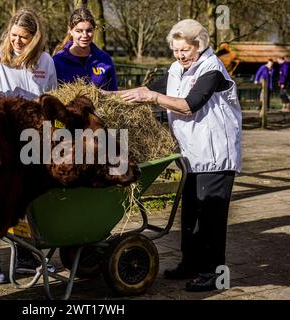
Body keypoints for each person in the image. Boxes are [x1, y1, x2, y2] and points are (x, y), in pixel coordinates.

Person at [114, 19, 242, 292]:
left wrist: (151, 98)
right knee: (191, 213)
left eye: (185, 50)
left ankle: (213, 273)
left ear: (200, 45)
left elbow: (189, 105)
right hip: (191, 154)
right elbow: (149, 91)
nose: (180, 55)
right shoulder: (177, 69)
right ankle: (191, 264)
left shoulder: (212, 69)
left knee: (211, 216)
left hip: (216, 154)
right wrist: (108, 96)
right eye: (176, 50)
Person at [0, 8, 57, 285]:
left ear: (35, 37)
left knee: (26, 201)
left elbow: (51, 97)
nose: (18, 42)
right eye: (15, 35)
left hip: (32, 140)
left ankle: (26, 258)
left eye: (25, 37)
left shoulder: (45, 61)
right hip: (0, 140)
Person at [52, 7, 117, 91]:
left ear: (94, 29)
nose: (85, 35)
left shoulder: (104, 59)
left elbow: (113, 93)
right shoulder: (58, 61)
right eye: (79, 31)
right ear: (70, 31)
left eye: (89, 30)